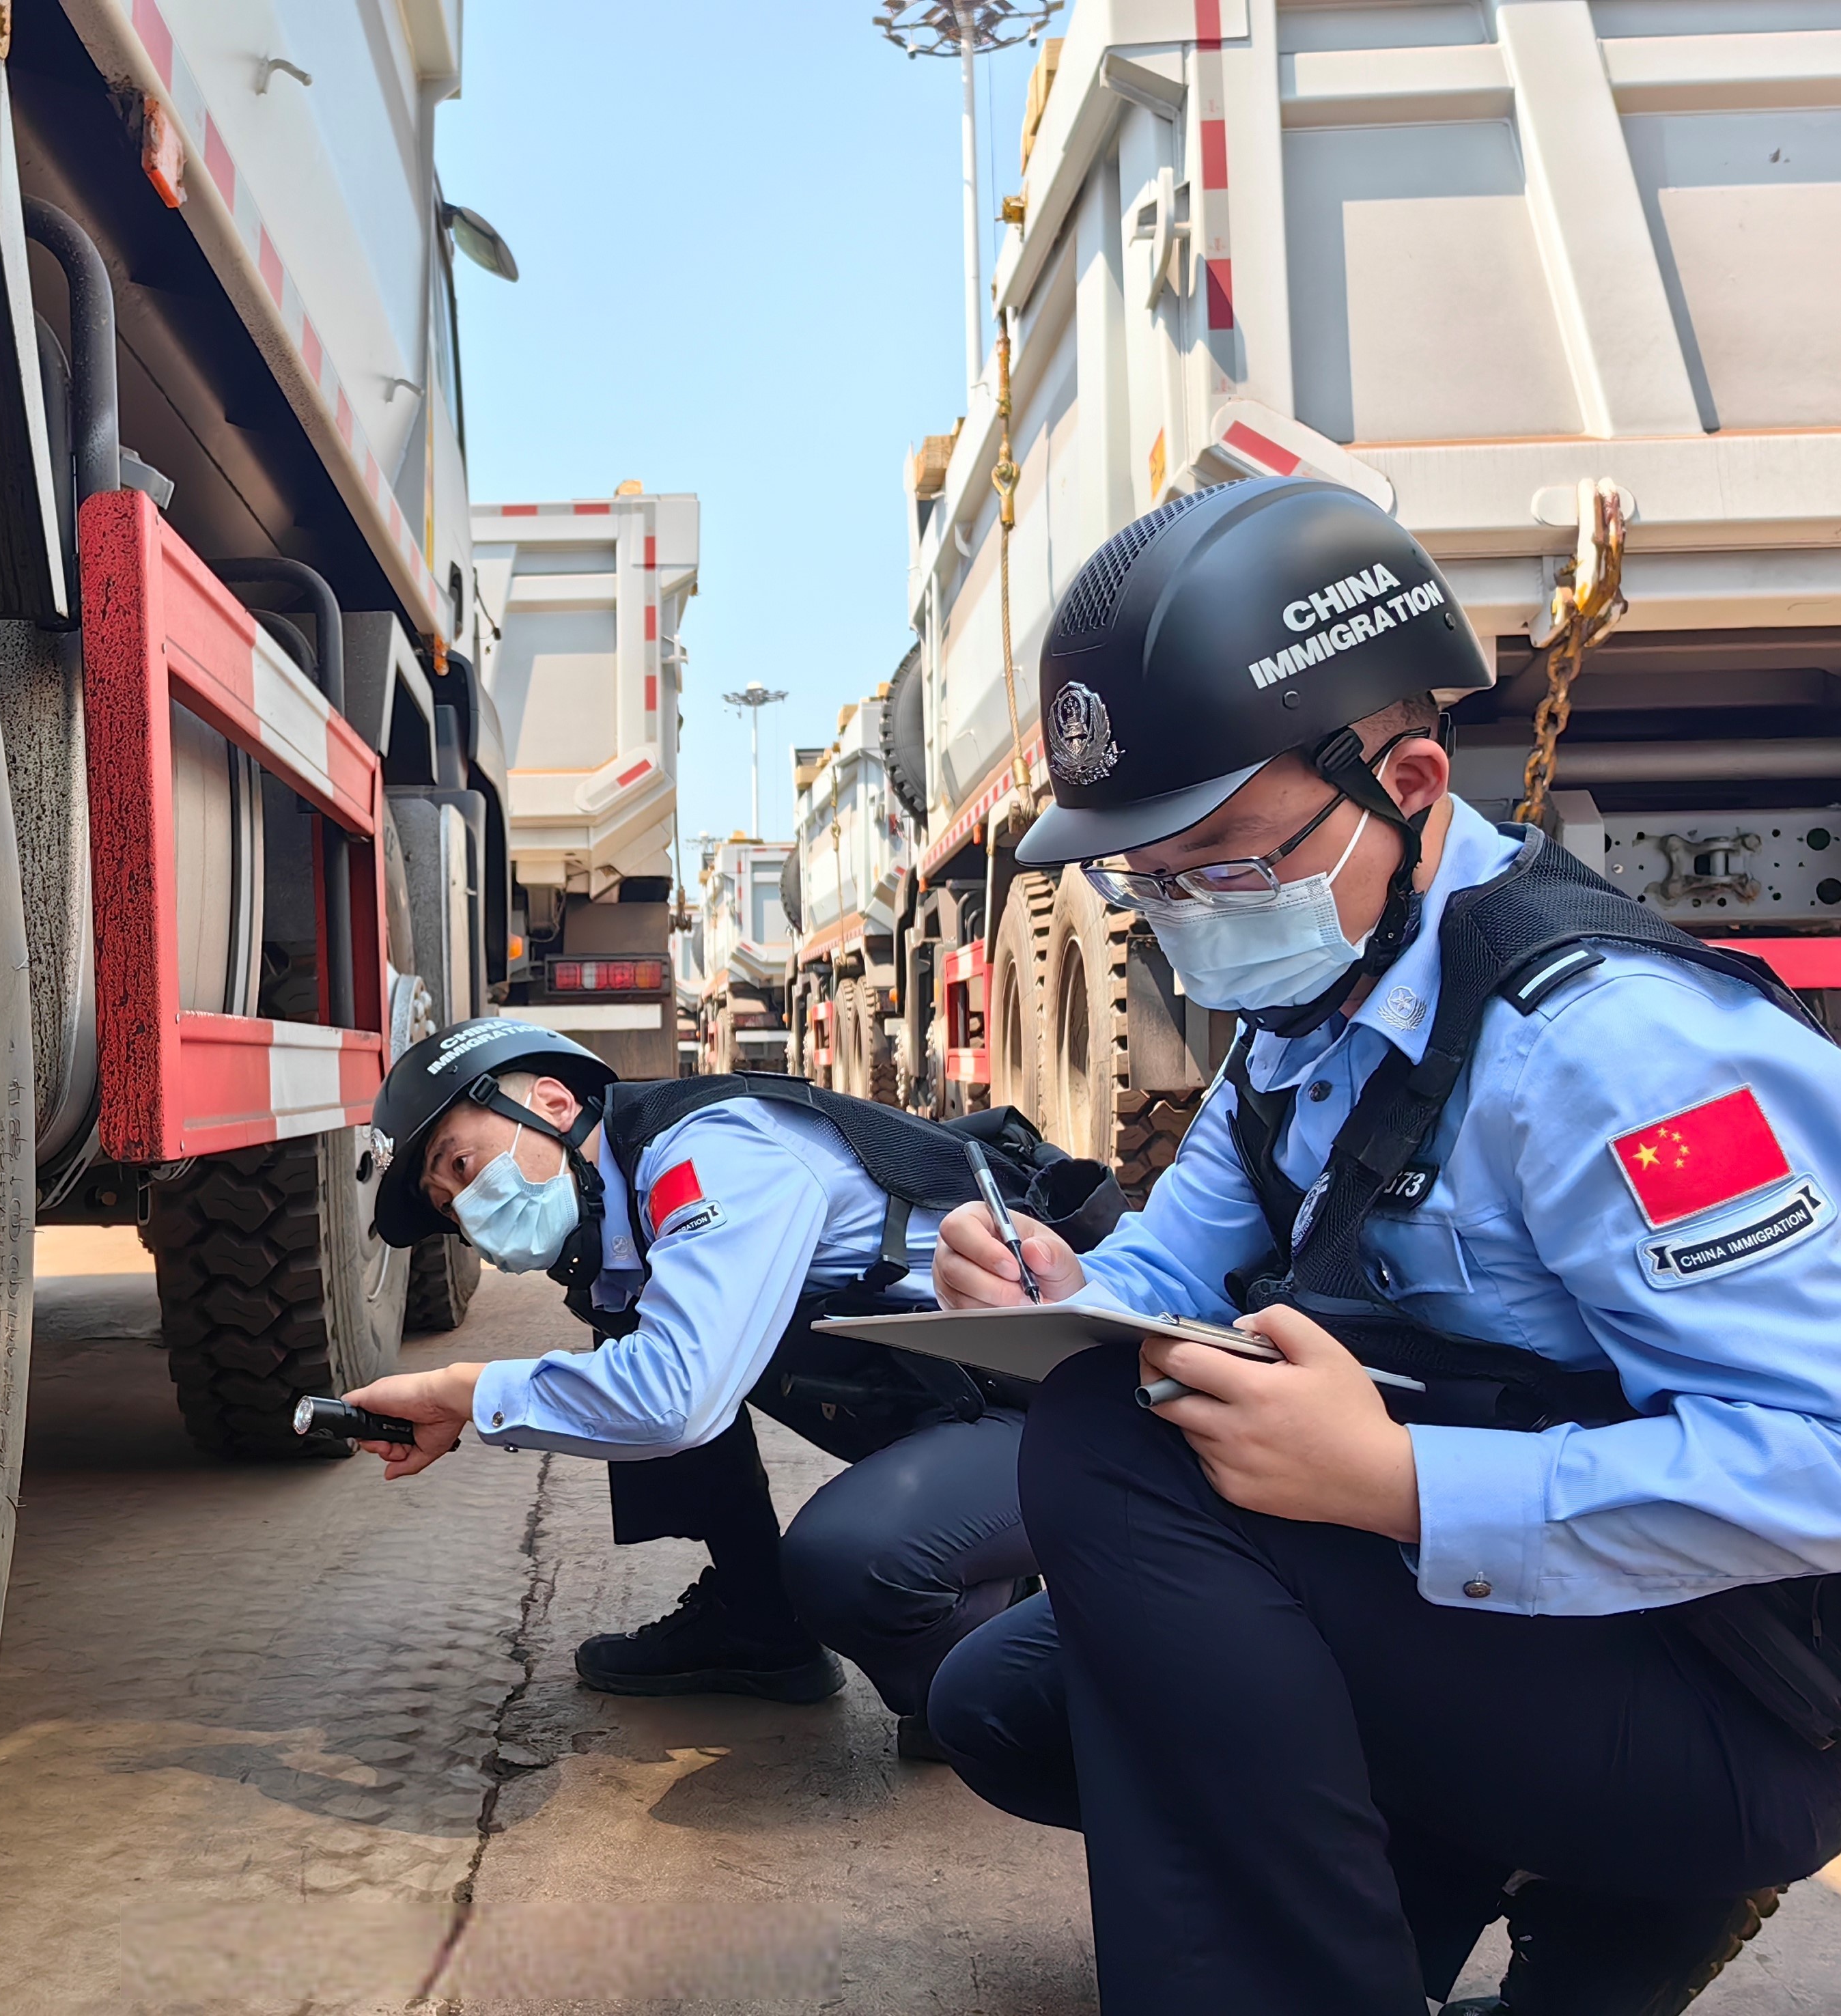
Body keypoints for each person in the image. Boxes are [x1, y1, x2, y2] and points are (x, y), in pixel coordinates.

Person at [921, 475, 1841, 2015]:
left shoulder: (1611, 1054)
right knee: (1017, 1697)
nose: (1190, 918)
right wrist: (1059, 1295)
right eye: (1147, 884)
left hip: (1736, 1697)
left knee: (1116, 1452)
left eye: (1224, 861)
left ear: (1409, 777)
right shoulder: (1304, 1021)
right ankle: (1463, 1882)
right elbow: (1169, 1282)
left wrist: (1406, 1487)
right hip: (1543, 1644)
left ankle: (1613, 1890)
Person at [338, 1016, 1119, 1750]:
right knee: (633, 1328)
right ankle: (755, 1627)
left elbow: (674, 1401)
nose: (471, 1212)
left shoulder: (710, 1154)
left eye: (462, 1167)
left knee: (850, 1566)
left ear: (551, 1101)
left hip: (1071, 1405)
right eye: (450, 1207)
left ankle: (1014, 1657)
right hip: (957, 1391)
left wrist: (462, 1391)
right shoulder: (624, 1222)